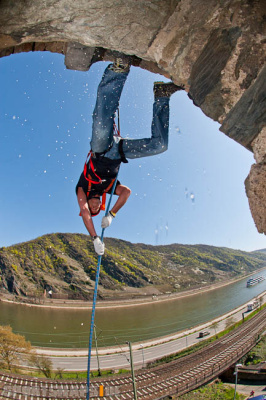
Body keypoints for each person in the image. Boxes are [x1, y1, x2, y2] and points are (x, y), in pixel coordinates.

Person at [76, 55, 183, 255]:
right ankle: (162, 95)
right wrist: (112, 214)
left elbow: (83, 213)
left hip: (101, 149)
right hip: (120, 152)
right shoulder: (109, 188)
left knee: (101, 120)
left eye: (93, 206)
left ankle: (117, 71)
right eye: (97, 207)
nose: (95, 205)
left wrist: (95, 238)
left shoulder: (83, 186)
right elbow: (127, 192)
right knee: (159, 145)